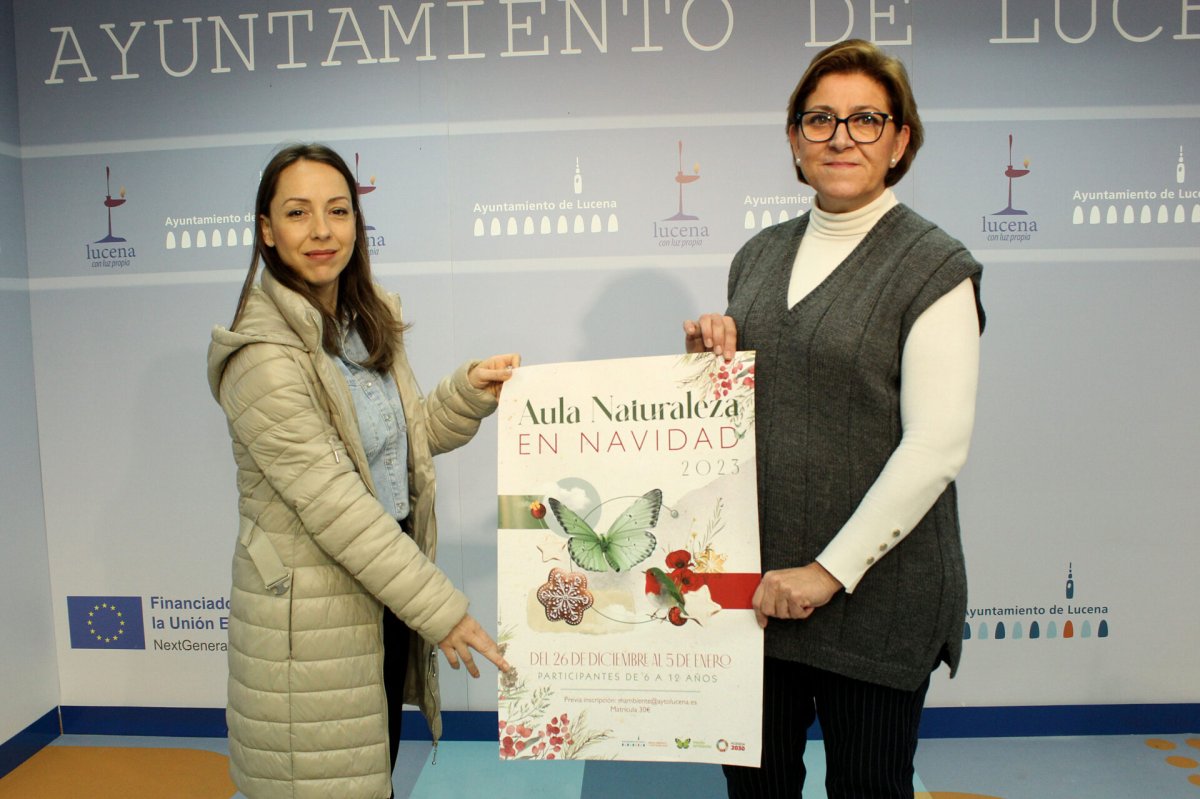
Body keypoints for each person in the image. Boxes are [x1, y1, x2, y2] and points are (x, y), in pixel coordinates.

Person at [684, 40, 985, 798]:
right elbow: (756, 406)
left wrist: (826, 573)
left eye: (865, 119)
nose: (841, 137)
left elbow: (936, 445)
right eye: (819, 119)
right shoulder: (757, 256)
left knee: (870, 789)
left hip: (876, 599)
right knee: (757, 789)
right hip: (755, 601)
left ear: (900, 140)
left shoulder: (935, 267)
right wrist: (705, 364)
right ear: (794, 138)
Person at [207, 143, 518, 799]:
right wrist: (445, 611)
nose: (322, 231)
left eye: (338, 210)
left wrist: (467, 394)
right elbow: (339, 506)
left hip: (381, 601)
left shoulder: (359, 322)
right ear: (266, 228)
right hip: (312, 626)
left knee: (368, 774)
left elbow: (396, 452)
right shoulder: (261, 356)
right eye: (298, 212)